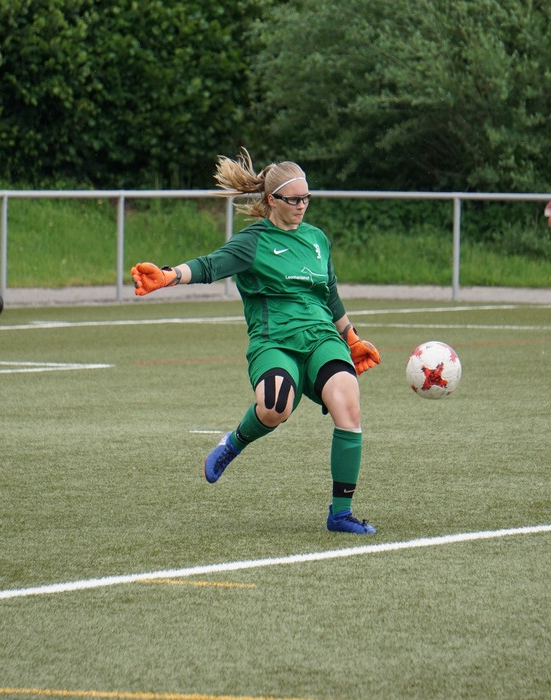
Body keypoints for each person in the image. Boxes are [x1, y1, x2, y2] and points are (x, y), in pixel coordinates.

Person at [130, 149, 381, 534]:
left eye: (306, 198)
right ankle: (233, 443)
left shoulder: (317, 240)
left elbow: (329, 294)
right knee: (275, 405)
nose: (302, 206)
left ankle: (341, 513)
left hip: (321, 338)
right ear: (270, 200)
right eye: (293, 199)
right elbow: (209, 265)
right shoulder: (253, 242)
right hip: (274, 342)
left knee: (348, 400)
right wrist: (167, 276)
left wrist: (351, 338)